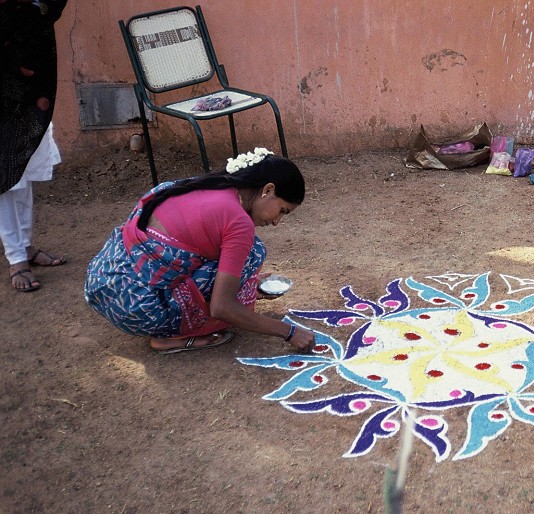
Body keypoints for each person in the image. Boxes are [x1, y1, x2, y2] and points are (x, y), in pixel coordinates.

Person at [84, 148, 315, 354]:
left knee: (239, 260)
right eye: (282, 210)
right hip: (142, 310)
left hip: (106, 285)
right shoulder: (238, 222)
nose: (277, 222)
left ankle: (170, 317)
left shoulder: (202, 185)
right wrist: (289, 331)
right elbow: (221, 307)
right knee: (252, 253)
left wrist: (245, 283)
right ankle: (169, 336)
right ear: (268, 190)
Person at [1, 0, 69, 292]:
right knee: (4, 169)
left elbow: (49, 8)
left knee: (24, 163)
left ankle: (25, 246)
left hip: (35, 74)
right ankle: (16, 258)